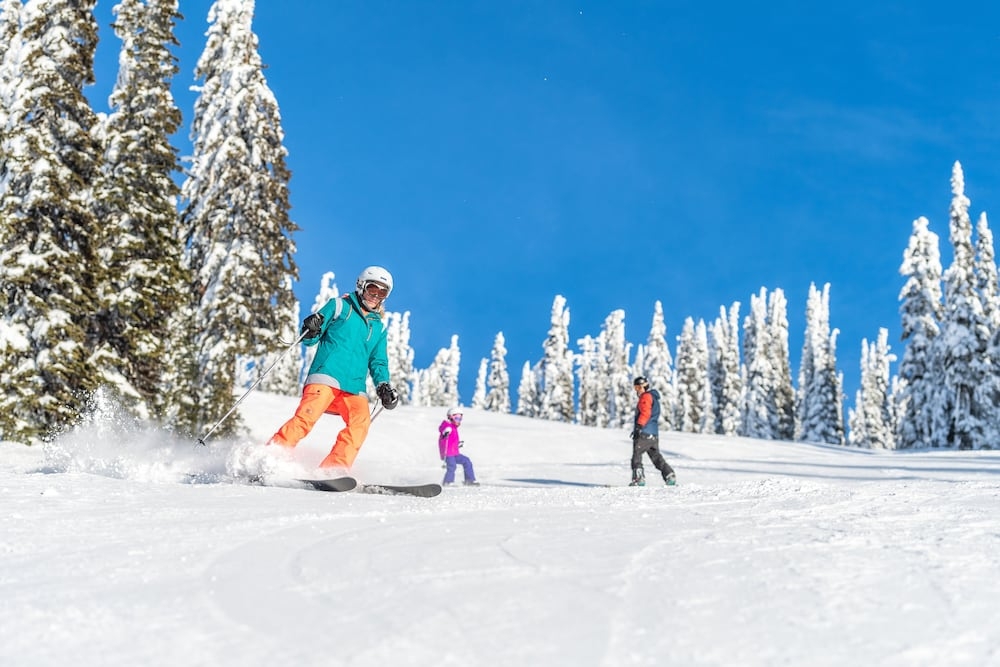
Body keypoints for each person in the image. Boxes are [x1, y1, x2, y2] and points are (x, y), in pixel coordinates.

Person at [266, 266, 400, 471]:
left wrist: (383, 385)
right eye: (373, 288)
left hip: (354, 387)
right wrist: (312, 327)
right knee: (306, 418)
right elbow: (311, 339)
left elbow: (378, 361)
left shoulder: (378, 327)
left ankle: (333, 469)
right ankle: (270, 456)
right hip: (326, 376)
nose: (376, 296)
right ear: (361, 286)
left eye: (382, 292)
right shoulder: (339, 306)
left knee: (360, 423)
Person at [629, 376, 676, 487]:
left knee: (637, 455)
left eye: (639, 387)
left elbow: (645, 413)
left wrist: (639, 427)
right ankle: (669, 474)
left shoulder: (645, 397)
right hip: (653, 435)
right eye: (635, 388)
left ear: (645, 386)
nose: (637, 390)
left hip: (644, 433)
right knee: (656, 457)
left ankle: (638, 479)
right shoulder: (654, 398)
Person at [438, 406, 478, 486]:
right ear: (450, 417)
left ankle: (469, 480)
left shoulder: (454, 428)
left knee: (466, 461)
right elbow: (442, 431)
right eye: (457, 418)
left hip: (455, 452)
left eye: (460, 419)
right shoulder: (447, 425)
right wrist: (445, 431)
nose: (459, 421)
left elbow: (451, 440)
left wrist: (458, 444)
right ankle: (447, 482)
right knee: (452, 466)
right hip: (448, 453)